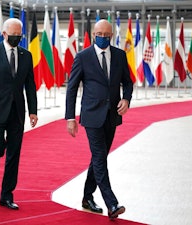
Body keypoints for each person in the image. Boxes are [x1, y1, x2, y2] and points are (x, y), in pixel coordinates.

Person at [65, 19, 133, 220]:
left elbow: (127, 83)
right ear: (94, 34)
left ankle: (87, 197)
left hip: (112, 115)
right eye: (99, 34)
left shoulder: (120, 56)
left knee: (99, 157)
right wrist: (70, 117)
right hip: (92, 116)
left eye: (107, 35)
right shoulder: (83, 56)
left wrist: (126, 99)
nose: (103, 38)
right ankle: (111, 203)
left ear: (112, 35)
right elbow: (72, 88)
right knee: (100, 157)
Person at [0, 18, 38, 210]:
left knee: (14, 154)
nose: (17, 38)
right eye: (13, 35)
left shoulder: (26, 55)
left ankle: (6, 195)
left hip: (17, 112)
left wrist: (33, 111)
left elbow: (30, 85)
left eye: (20, 35)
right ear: (4, 34)